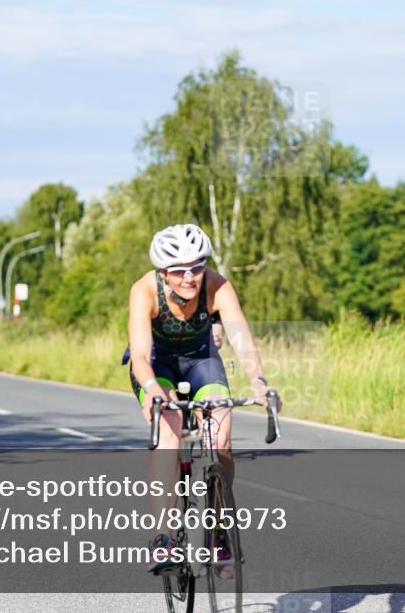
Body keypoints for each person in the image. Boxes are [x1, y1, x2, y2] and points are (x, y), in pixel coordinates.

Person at [126, 223, 278, 574]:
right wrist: (151, 390)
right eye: (178, 271)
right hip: (156, 364)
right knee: (169, 430)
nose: (189, 277)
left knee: (221, 435)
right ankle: (164, 538)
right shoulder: (144, 290)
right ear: (163, 271)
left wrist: (257, 380)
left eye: (196, 266)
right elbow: (139, 356)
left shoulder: (217, 285)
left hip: (202, 361)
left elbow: (241, 339)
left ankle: (219, 532)